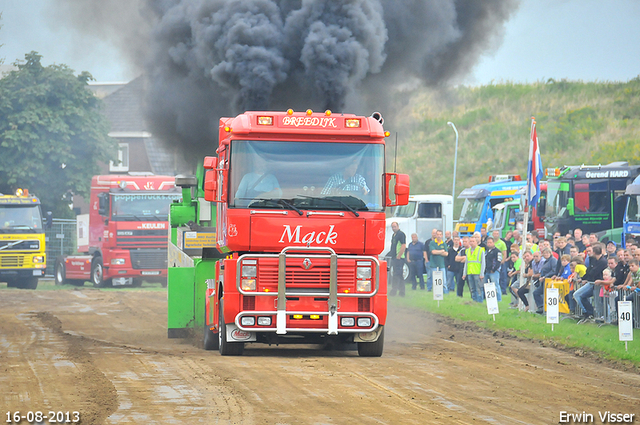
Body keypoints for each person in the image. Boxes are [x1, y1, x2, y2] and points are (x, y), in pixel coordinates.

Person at [573, 244, 607, 321]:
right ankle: (588, 313)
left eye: (589, 251)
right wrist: (583, 279)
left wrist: (587, 278)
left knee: (599, 301)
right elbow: (589, 271)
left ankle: (597, 315)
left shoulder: (602, 261)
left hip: (597, 284)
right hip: (592, 282)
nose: (588, 253)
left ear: (594, 252)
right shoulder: (592, 260)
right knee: (579, 295)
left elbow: (593, 272)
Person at [533, 248, 558, 314]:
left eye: (547, 253)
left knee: (543, 294)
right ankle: (541, 306)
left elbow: (554, 270)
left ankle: (547, 310)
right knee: (536, 293)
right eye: (544, 253)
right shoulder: (546, 261)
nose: (546, 254)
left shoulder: (553, 260)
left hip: (549, 281)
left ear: (550, 253)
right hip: (544, 281)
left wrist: (545, 277)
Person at [462, 236, 485, 302]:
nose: (471, 243)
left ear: (476, 242)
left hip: (477, 272)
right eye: (470, 241)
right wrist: (464, 273)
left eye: (473, 241)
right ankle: (474, 301)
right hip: (470, 272)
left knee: (479, 289)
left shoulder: (480, 250)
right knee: (472, 289)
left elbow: (483, 263)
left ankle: (480, 302)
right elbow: (466, 263)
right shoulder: (468, 250)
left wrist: (482, 273)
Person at [388, 222, 407, 297]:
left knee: (398, 275)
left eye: (395, 227)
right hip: (394, 257)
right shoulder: (394, 235)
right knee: (396, 274)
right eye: (392, 227)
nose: (393, 228)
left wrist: (399, 256)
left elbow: (403, 245)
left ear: (398, 226)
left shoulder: (401, 234)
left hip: (399, 258)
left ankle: (398, 291)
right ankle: (397, 291)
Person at [484, 237, 502, 302]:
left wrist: (494, 269)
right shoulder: (486, 251)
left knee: (496, 285)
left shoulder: (497, 251)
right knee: (487, 286)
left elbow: (498, 261)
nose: (489, 244)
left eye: (490, 242)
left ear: (493, 243)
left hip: (494, 272)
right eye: (488, 243)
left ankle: (498, 299)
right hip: (487, 271)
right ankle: (490, 299)